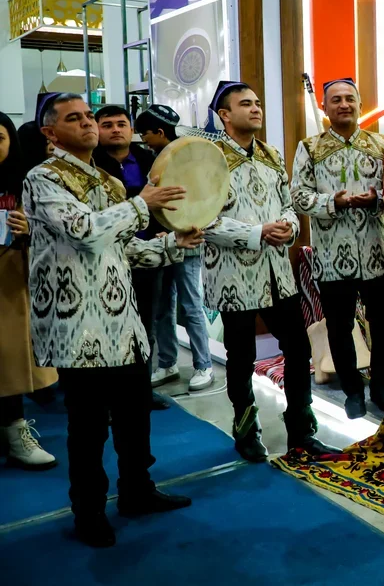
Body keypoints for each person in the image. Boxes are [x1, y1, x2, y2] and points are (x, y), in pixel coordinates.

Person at [25, 94, 199, 547]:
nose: (87, 123)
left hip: (122, 320)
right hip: (76, 323)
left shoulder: (108, 181)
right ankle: (88, 512)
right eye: (74, 118)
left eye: (89, 116)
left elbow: (120, 248)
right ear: (50, 133)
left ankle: (137, 491)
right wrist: (142, 204)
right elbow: (84, 232)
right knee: (87, 427)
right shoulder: (42, 178)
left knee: (133, 416)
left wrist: (172, 245)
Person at [201, 81, 341, 461]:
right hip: (233, 276)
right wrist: (256, 232)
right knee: (240, 356)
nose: (256, 109)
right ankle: (247, 430)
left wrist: (289, 227)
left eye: (258, 103)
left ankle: (301, 431)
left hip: (277, 272)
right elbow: (202, 221)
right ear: (224, 114)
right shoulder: (207, 160)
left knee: (298, 347)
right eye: (245, 104)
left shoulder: (271, 154)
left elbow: (288, 205)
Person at [291, 79, 384, 419]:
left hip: (377, 252)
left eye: (350, 98)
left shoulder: (381, 144)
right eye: (336, 100)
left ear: (360, 105)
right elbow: (298, 196)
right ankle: (352, 390)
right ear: (325, 107)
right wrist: (331, 202)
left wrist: (376, 199)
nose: (344, 104)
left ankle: (381, 385)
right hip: (332, 256)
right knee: (339, 325)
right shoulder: (310, 147)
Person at [92, 105, 174, 411]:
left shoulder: (151, 161)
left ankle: (143, 390)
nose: (115, 129)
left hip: (148, 256)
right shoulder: (90, 165)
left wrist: (167, 230)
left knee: (145, 326)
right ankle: (107, 399)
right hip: (105, 260)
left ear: (131, 130)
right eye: (107, 124)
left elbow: (168, 199)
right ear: (97, 130)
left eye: (121, 123)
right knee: (106, 328)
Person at [133, 104, 214, 392]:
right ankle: (167, 363)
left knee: (191, 306)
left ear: (159, 131)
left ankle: (204, 365)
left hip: (187, 239)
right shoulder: (152, 158)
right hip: (160, 245)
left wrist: (179, 228)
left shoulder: (188, 156)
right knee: (163, 308)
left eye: (144, 133)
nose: (142, 139)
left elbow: (203, 197)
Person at [0, 111, 57, 471]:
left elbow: (55, 236)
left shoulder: (27, 185)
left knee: (8, 362)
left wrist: (28, 231)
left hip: (9, 285)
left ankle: (15, 430)